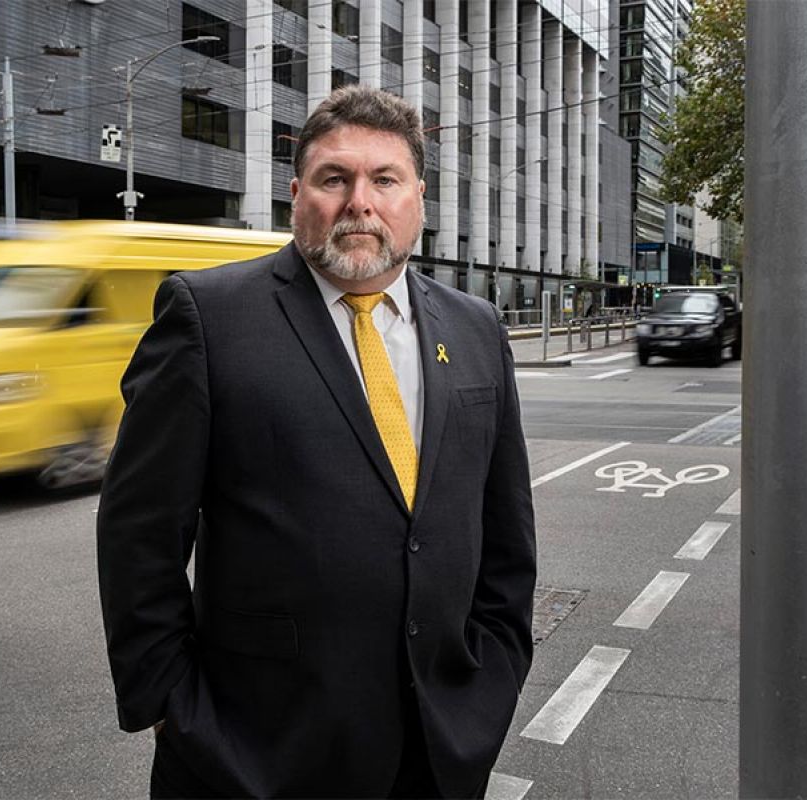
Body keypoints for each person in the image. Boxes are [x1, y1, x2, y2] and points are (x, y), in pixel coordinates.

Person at [97, 85, 537, 799]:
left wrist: (493, 676)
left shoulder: (476, 326)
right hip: (253, 750)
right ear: (298, 192)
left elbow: (505, 530)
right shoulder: (207, 317)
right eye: (335, 178)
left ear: (417, 198)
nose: (359, 201)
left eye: (384, 179)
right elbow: (138, 532)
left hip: (439, 741)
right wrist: (169, 704)